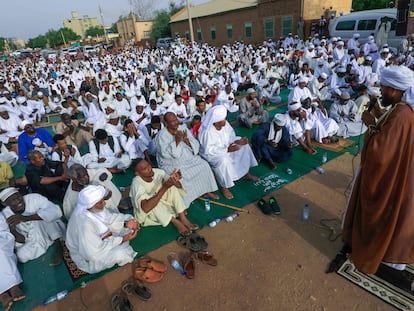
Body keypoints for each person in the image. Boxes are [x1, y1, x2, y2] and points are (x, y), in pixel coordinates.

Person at [341, 66, 414, 290]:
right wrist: (377, 119)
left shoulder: (402, 115)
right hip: (401, 174)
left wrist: (371, 124)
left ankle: (383, 258)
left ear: (395, 89)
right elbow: (390, 134)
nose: (381, 91)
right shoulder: (401, 110)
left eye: (383, 87)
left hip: (392, 179)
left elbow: (381, 156)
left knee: (389, 217)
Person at [66, 185, 138, 274]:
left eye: (103, 200)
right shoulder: (84, 225)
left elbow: (109, 219)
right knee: (122, 253)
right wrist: (123, 239)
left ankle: (121, 238)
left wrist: (125, 224)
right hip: (90, 256)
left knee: (129, 220)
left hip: (100, 239)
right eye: (100, 202)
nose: (104, 203)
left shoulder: (92, 209)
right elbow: (93, 253)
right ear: (90, 205)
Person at [155, 112, 219, 207]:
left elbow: (195, 143)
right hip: (171, 163)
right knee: (181, 175)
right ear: (166, 123)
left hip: (188, 157)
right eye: (172, 121)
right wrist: (176, 141)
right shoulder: (161, 135)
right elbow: (165, 155)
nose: (176, 123)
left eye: (176, 119)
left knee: (204, 165)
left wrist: (187, 141)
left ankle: (205, 191)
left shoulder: (183, 128)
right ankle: (188, 198)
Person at [199, 105, 259, 199]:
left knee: (244, 147)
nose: (225, 120)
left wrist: (237, 141)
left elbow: (231, 136)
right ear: (216, 121)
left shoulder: (225, 124)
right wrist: (227, 150)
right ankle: (224, 187)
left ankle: (245, 173)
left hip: (227, 147)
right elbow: (208, 150)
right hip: (212, 155)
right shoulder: (207, 132)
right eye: (223, 119)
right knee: (223, 161)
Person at [130, 159, 199, 236]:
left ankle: (183, 217)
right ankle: (176, 221)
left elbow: (178, 186)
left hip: (164, 204)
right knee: (151, 200)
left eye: (148, 165)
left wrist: (175, 180)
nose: (149, 168)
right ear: (138, 174)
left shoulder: (158, 172)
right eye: (145, 169)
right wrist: (165, 187)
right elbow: (145, 208)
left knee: (171, 187)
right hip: (148, 213)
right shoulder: (136, 184)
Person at [0, 187, 65, 265]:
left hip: (49, 227)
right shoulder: (4, 216)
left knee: (45, 215)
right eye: (13, 200)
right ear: (5, 203)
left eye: (18, 197)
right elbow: (23, 240)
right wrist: (12, 231)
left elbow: (55, 211)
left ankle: (59, 247)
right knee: (20, 256)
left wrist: (26, 218)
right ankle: (46, 242)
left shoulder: (33, 198)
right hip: (33, 239)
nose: (18, 201)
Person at [0, 213, 25, 311]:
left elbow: (3, 228)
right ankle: (2, 295)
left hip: (1, 239)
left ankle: (14, 287)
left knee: (0, 252)